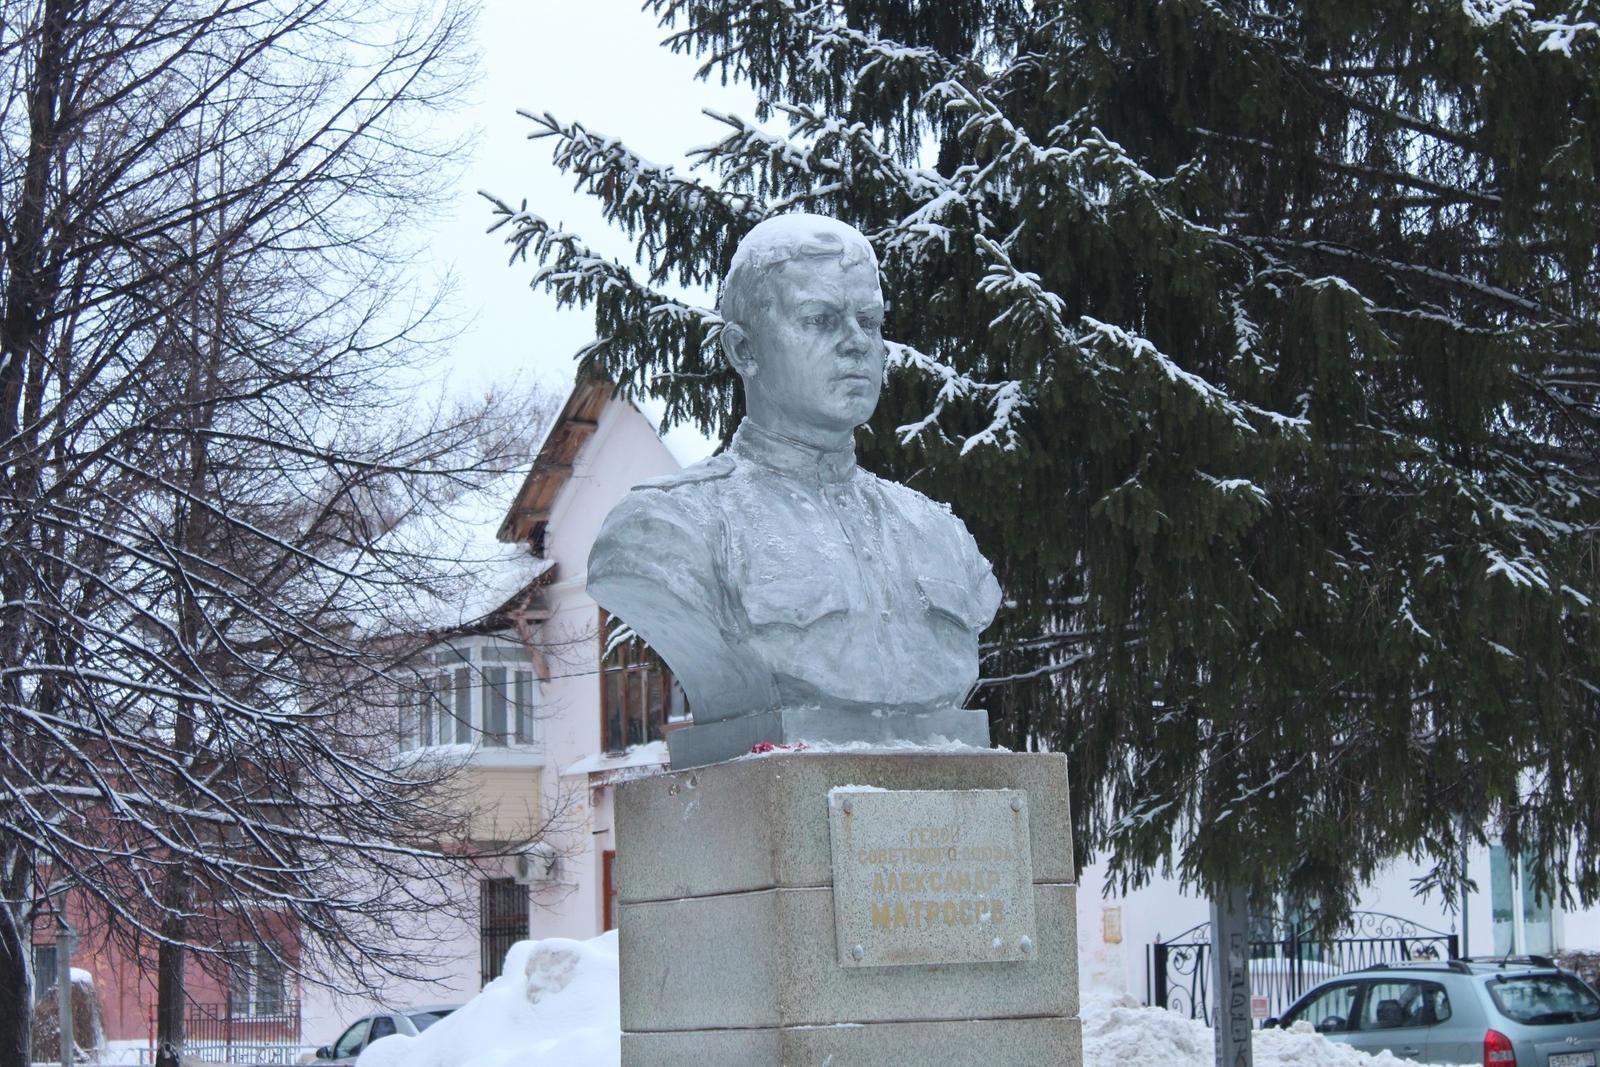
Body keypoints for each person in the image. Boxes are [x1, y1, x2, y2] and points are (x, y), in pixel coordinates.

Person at [587, 214, 1001, 767]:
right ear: (744, 350)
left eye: (870, 321)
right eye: (820, 319)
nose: (857, 344)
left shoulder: (940, 534)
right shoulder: (669, 527)